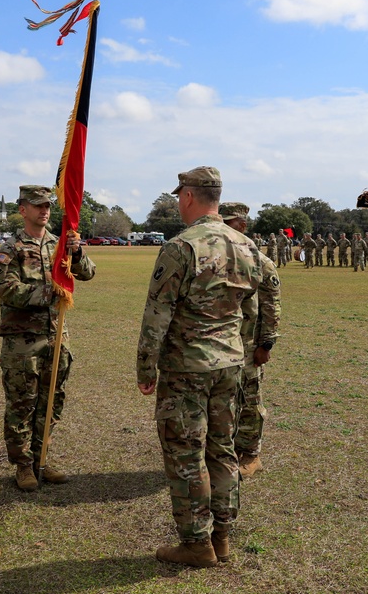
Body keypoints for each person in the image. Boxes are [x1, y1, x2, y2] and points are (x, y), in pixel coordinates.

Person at [136, 167, 267, 568]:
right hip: (230, 362)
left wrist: (145, 368)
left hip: (186, 366)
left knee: (185, 453)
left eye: (179, 197)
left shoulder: (181, 247)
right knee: (223, 450)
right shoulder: (246, 246)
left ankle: (196, 543)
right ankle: (222, 537)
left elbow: (157, 314)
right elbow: (252, 308)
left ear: (189, 197)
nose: (179, 203)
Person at [0, 185, 96, 491]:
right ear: (22, 210)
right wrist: (49, 292)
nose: (45, 210)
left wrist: (77, 253)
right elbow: (7, 289)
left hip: (55, 336)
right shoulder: (10, 248)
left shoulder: (60, 243)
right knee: (22, 404)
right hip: (23, 341)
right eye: (37, 205)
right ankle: (23, 464)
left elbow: (87, 273)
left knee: (52, 402)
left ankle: (42, 459)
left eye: (48, 205)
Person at [220, 202, 281, 479]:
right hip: (221, 345)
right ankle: (226, 451)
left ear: (242, 226)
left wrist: (266, 345)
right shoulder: (219, 257)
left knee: (250, 399)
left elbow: (271, 305)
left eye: (228, 223)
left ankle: (251, 454)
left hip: (249, 345)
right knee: (225, 400)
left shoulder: (259, 260)